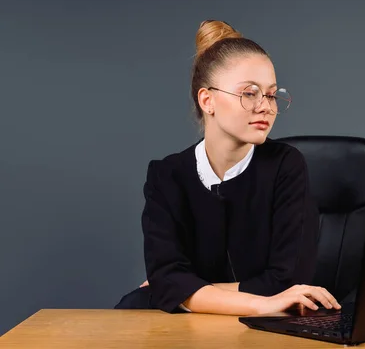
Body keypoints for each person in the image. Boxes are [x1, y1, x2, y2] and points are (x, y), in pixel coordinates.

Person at [115, 20, 340, 315]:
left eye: (271, 94)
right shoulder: (167, 175)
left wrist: (187, 291)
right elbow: (167, 279)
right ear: (208, 100)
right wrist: (261, 302)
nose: (267, 107)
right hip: (189, 332)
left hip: (272, 331)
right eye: (250, 93)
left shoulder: (286, 166)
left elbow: (286, 282)